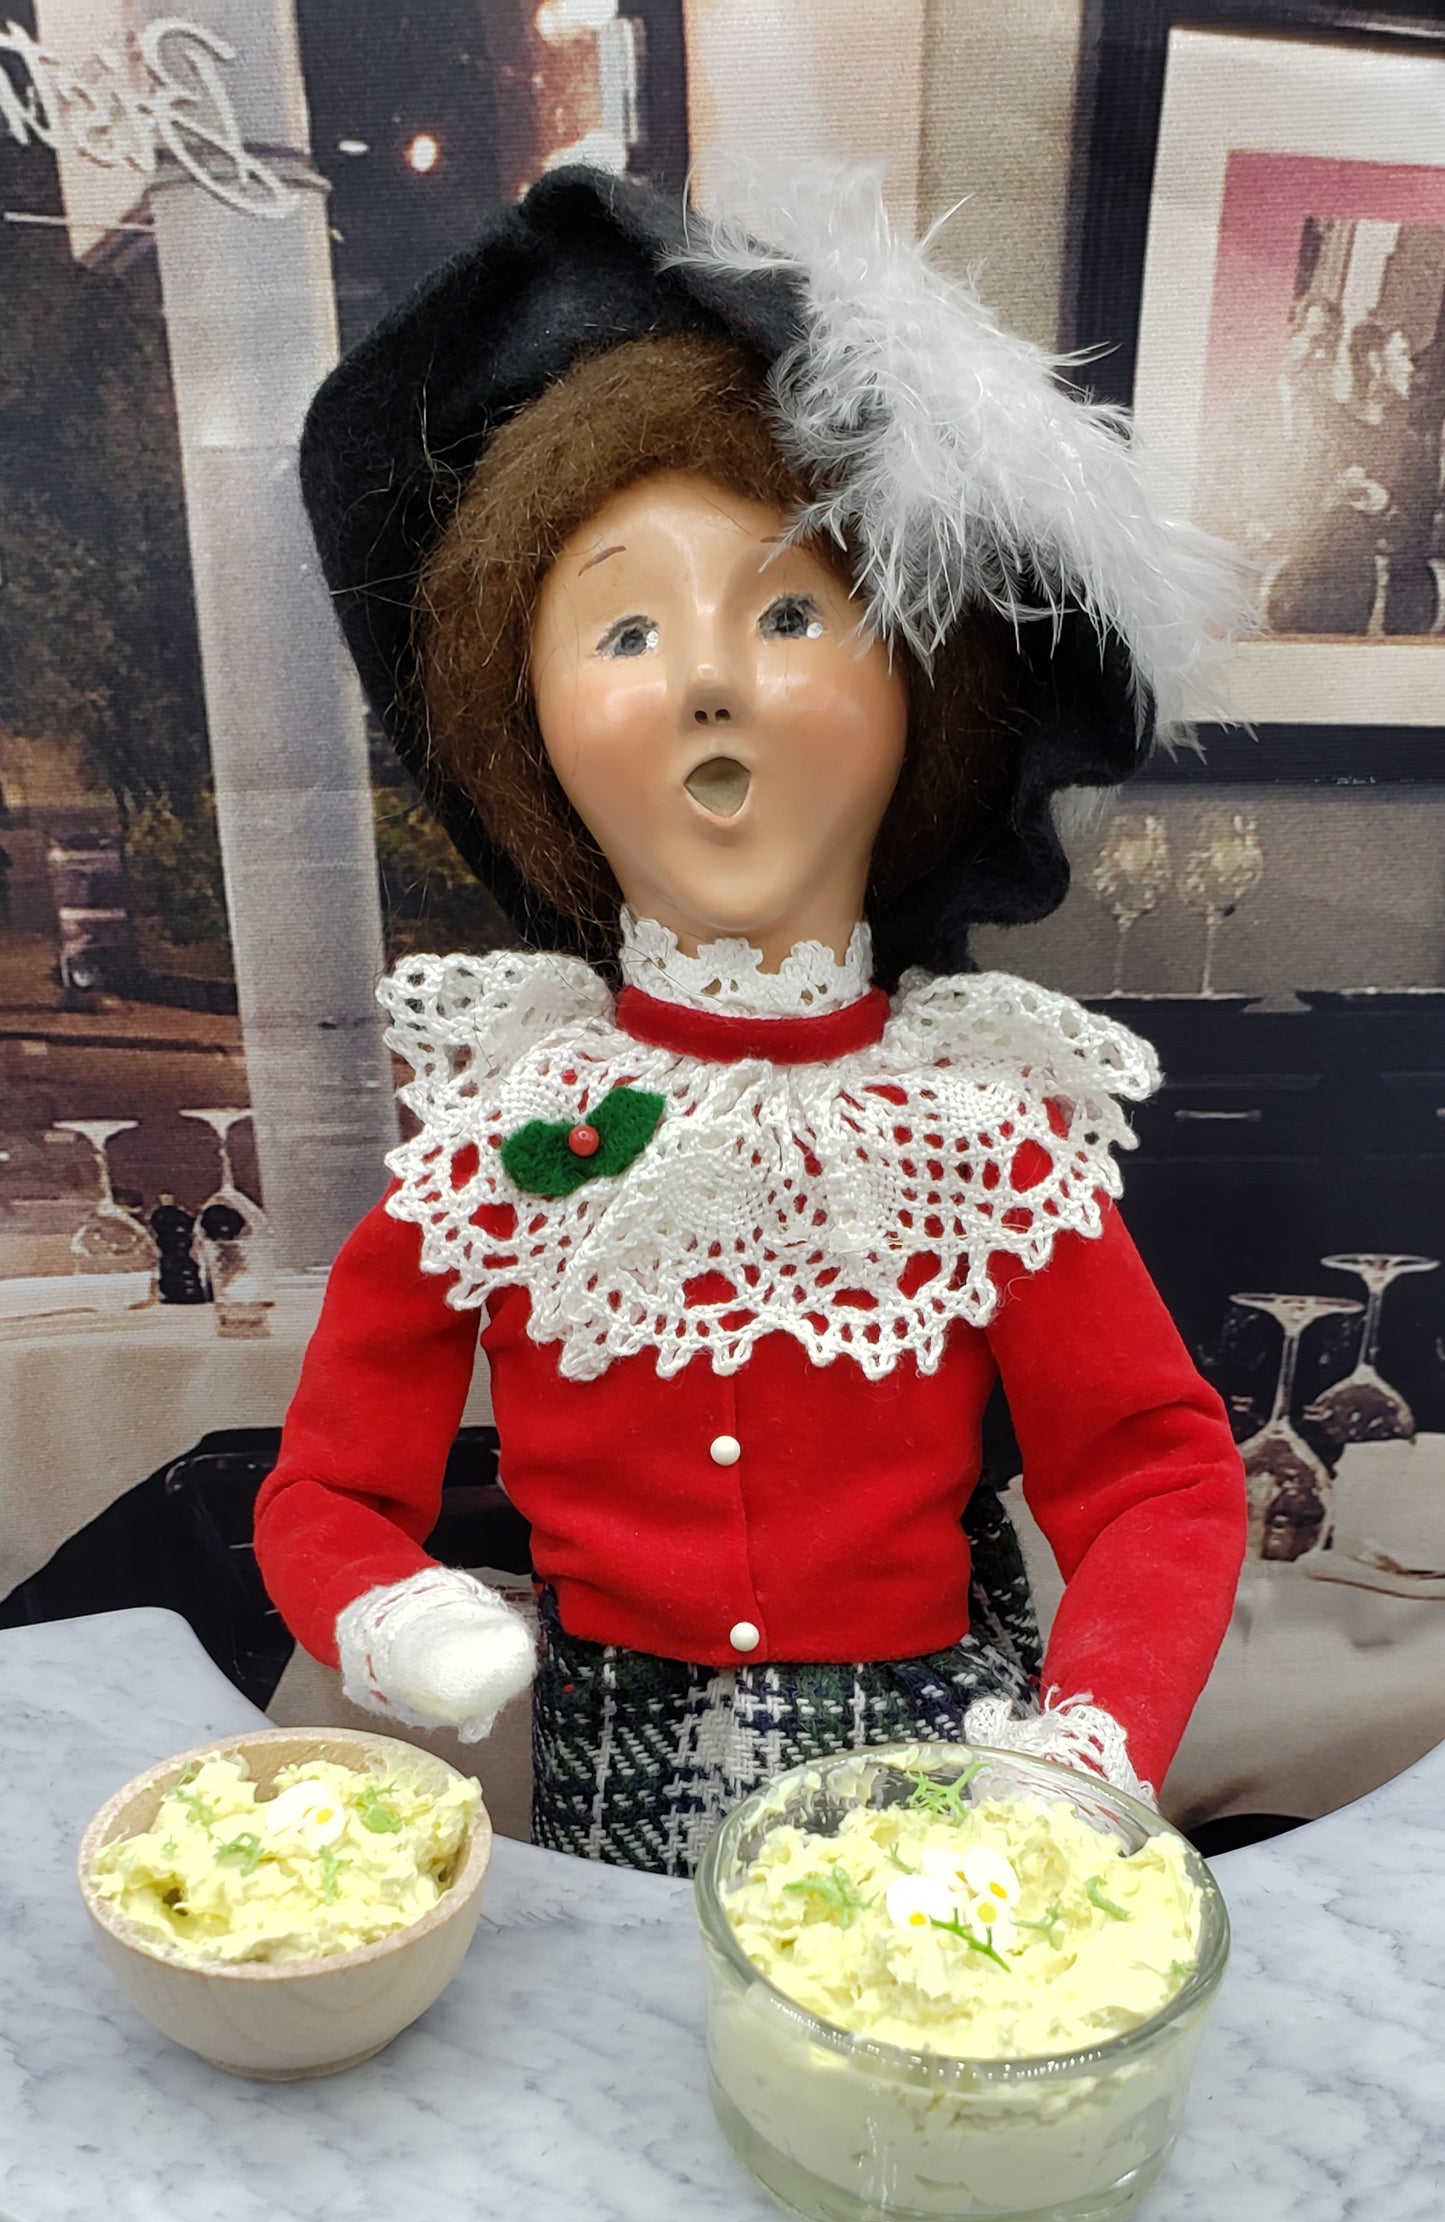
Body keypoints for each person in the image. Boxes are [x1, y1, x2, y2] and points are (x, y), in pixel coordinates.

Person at [254, 163, 1247, 1875]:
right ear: (531, 725)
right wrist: (392, 1615)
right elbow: (328, 1483)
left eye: (789, 612)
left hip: (932, 1770)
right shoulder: (517, 1125)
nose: (708, 678)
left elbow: (1155, 1471)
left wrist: (1094, 1730)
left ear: (915, 694)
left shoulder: (973, 1131)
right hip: (599, 1761)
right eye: (625, 628)